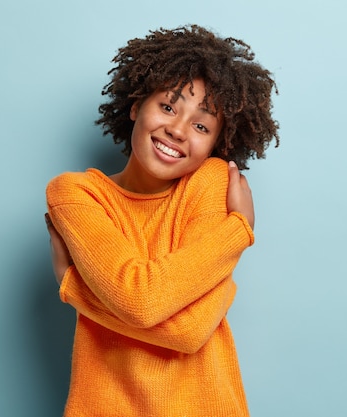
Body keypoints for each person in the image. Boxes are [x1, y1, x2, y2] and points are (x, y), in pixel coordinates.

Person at [45, 24, 279, 417]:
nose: (177, 129)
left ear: (216, 145)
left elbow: (188, 332)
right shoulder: (77, 193)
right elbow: (142, 302)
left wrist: (76, 289)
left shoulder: (210, 182)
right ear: (137, 105)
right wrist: (235, 232)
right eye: (168, 107)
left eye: (201, 125)